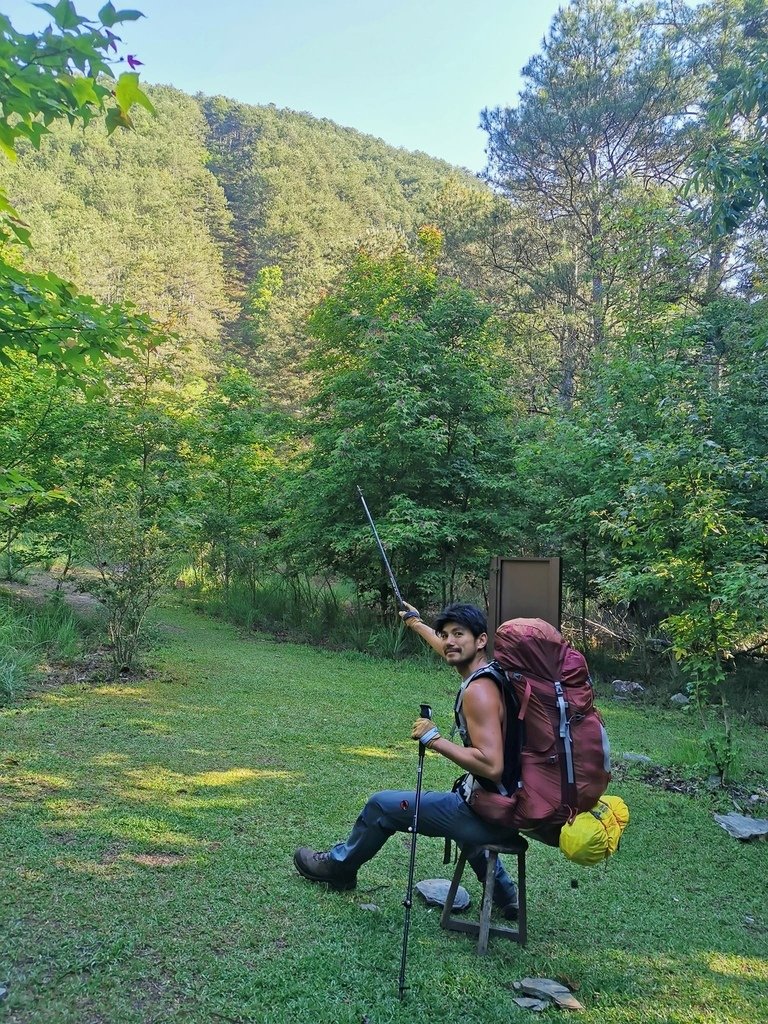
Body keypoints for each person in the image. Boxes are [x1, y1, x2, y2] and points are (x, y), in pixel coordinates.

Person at [293, 601, 522, 918]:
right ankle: (506, 894)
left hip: (486, 812)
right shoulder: (491, 673)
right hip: (504, 803)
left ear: (481, 640)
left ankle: (339, 867)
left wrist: (435, 740)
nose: (449, 641)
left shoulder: (478, 692)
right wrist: (417, 624)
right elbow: (448, 650)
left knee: (381, 806)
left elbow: (491, 764)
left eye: (459, 634)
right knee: (455, 803)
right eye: (445, 635)